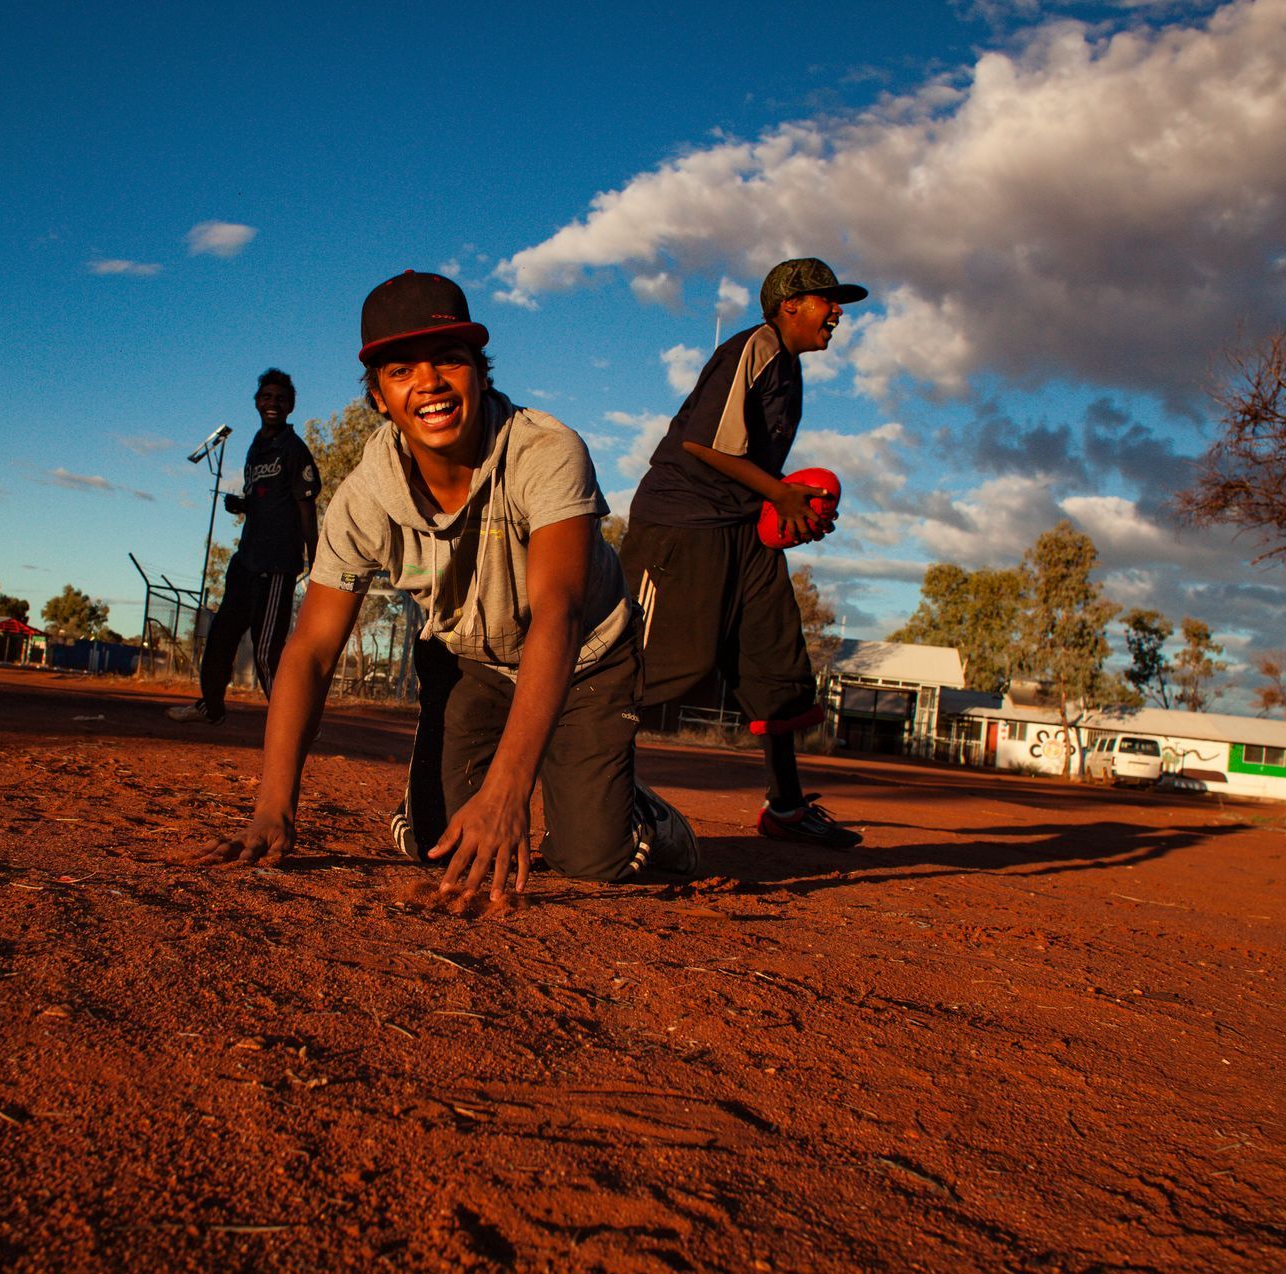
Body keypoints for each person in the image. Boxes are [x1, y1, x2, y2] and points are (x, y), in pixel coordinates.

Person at [199, 271, 695, 898]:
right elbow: (313, 651)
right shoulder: (365, 498)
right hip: (473, 663)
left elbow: (559, 614)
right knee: (440, 843)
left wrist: (509, 792)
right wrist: (274, 809)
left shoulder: (547, 452)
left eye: (448, 362)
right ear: (377, 396)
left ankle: (635, 812)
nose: (428, 384)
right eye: (400, 371)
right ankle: (439, 795)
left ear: (480, 372)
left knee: (591, 862)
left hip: (585, 660)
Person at [619, 257, 867, 849]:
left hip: (739, 527)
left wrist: (790, 512)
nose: (837, 312)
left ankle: (785, 807)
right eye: (826, 300)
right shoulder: (753, 347)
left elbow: (752, 466)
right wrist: (781, 492)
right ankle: (586, 783)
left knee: (774, 658)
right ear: (790, 305)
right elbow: (703, 443)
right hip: (682, 524)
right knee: (647, 664)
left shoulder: (790, 368)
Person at [169, 369, 321, 725]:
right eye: (266, 398)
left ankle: (293, 723)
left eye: (280, 399)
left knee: (267, 651)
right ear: (257, 402)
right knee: (220, 637)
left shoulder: (294, 449)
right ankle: (210, 704)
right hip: (246, 561)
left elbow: (304, 506)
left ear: (290, 406)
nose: (273, 404)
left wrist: (316, 559)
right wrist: (243, 504)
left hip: (277, 565)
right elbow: (264, 497)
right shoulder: (256, 444)